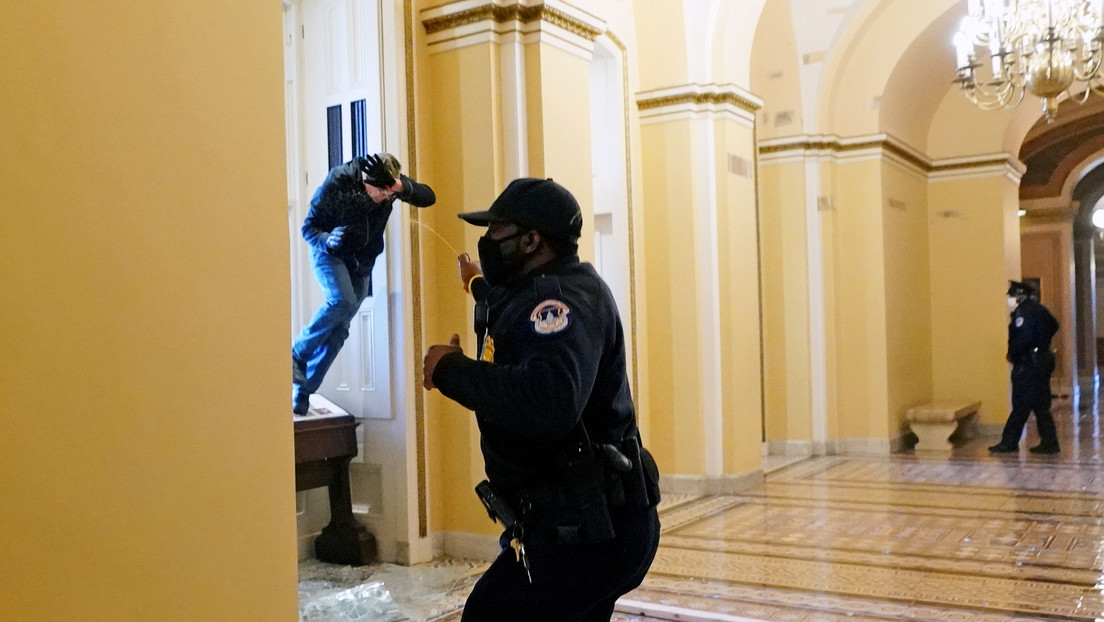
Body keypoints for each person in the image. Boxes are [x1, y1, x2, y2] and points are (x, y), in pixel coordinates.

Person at [422, 178, 661, 621]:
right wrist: (476, 283)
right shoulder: (554, 286)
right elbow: (513, 311)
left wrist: (449, 370)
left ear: (531, 240)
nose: (487, 240)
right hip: (589, 524)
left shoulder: (559, 302)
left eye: (497, 231)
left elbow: (549, 401)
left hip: (584, 530)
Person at [293, 153, 435, 414]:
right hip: (330, 251)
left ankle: (304, 390)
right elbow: (308, 228)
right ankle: (297, 353)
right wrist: (327, 240)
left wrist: (399, 186)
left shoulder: (391, 186)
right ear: (364, 180)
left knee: (340, 330)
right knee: (342, 301)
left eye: (388, 192)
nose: (383, 197)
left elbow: (429, 197)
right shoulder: (339, 181)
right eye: (379, 190)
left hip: (361, 262)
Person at [989, 280, 1061, 454]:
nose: (1011, 299)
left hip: (1029, 363)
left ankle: (1009, 442)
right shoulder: (1039, 308)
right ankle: (1050, 442)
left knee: (1021, 403)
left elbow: (1022, 337)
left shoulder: (1023, 311)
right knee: (1041, 404)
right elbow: (1054, 325)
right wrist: (1042, 342)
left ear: (1020, 295)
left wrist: (1013, 354)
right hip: (1042, 359)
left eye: (1012, 295)